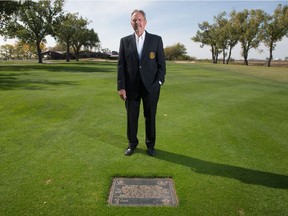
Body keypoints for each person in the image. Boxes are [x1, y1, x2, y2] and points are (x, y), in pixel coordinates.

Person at [117, 9, 166, 156]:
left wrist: (158, 82)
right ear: (131, 23)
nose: (137, 22)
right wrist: (121, 87)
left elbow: (161, 65)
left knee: (150, 117)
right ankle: (132, 144)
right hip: (131, 88)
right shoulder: (124, 41)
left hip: (151, 87)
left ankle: (150, 145)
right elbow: (121, 66)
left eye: (139, 20)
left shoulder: (156, 40)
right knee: (132, 117)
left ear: (145, 22)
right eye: (134, 20)